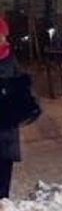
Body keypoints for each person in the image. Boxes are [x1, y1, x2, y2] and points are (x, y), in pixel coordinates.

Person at [0, 18, 21, 198]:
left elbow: (20, 85)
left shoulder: (10, 58)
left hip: (6, 117)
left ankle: (3, 200)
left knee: (5, 160)